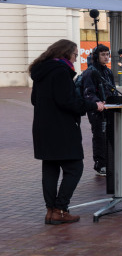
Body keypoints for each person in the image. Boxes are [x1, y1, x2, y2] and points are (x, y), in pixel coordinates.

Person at [30, 40, 104, 225]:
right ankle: (60, 209)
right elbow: (68, 102)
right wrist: (93, 105)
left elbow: (34, 100)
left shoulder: (41, 71)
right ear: (65, 54)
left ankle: (51, 211)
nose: (76, 57)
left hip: (43, 128)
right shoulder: (61, 71)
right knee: (74, 167)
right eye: (75, 54)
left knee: (50, 168)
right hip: (61, 128)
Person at [80, 44, 115, 175]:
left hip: (109, 109)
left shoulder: (108, 71)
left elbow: (112, 89)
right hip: (96, 110)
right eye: (103, 55)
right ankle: (100, 164)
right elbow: (88, 92)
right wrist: (98, 103)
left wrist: (114, 101)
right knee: (100, 136)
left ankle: (111, 161)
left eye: (107, 54)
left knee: (110, 135)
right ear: (96, 56)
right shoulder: (90, 72)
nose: (106, 57)